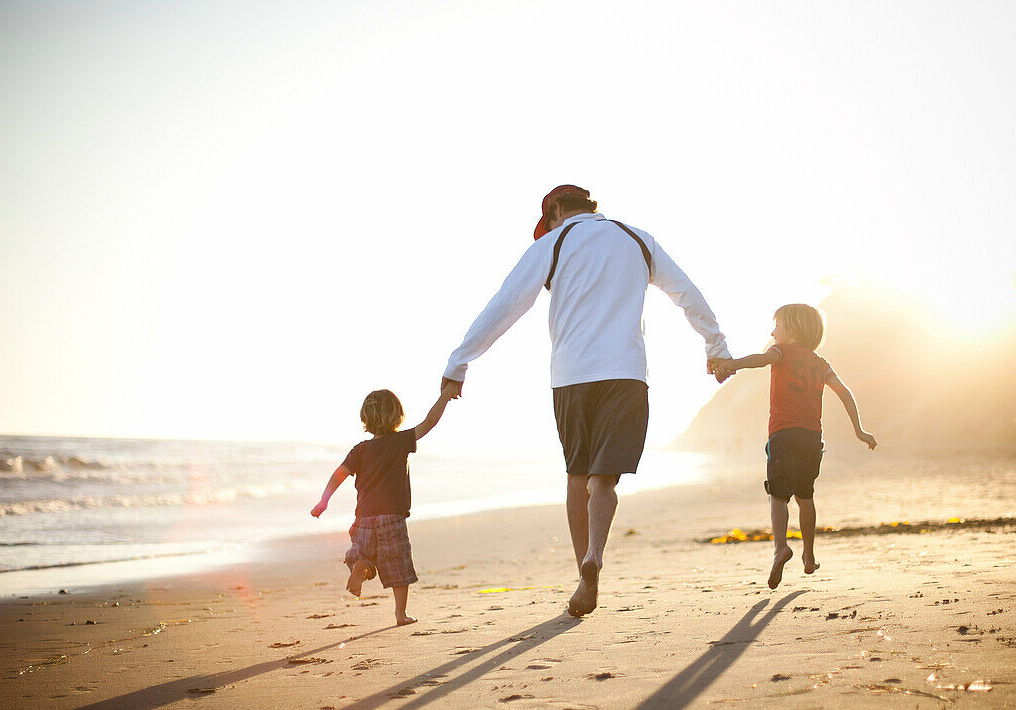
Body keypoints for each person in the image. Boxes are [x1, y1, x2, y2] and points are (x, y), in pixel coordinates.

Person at [441, 184, 731, 617]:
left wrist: (459, 361)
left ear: (556, 210)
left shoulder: (554, 242)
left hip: (572, 377)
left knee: (577, 475)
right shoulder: (637, 239)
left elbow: (505, 304)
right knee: (604, 480)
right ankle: (596, 553)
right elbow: (685, 292)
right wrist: (716, 347)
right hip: (626, 373)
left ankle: (584, 571)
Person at [713, 303, 877, 589]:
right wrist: (859, 430)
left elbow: (760, 360)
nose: (772, 332)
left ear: (792, 330)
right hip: (812, 439)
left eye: (776, 326)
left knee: (778, 496)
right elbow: (845, 394)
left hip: (783, 435)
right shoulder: (821, 364)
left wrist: (732, 364)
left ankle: (781, 548)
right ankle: (809, 557)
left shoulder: (782, 353)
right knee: (805, 496)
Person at [311, 384, 456, 626]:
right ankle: (401, 614)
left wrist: (323, 500)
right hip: (392, 517)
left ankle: (361, 568)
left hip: (364, 518)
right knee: (397, 565)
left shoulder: (360, 450)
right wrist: (445, 396)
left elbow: (339, 474)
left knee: (365, 557)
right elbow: (429, 423)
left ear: (365, 418)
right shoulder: (400, 441)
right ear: (397, 416)